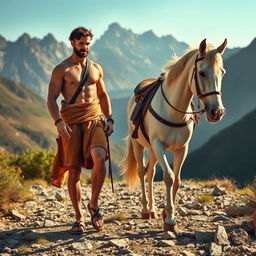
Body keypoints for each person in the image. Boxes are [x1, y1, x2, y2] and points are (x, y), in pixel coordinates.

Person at [47, 26, 114, 233]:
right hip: (71, 121)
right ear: (72, 43)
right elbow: (51, 99)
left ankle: (93, 204)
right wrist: (58, 122)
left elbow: (102, 95)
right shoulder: (62, 69)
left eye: (88, 44)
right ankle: (79, 218)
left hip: (94, 118)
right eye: (81, 44)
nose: (85, 47)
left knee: (100, 157)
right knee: (74, 170)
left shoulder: (96, 68)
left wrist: (109, 118)